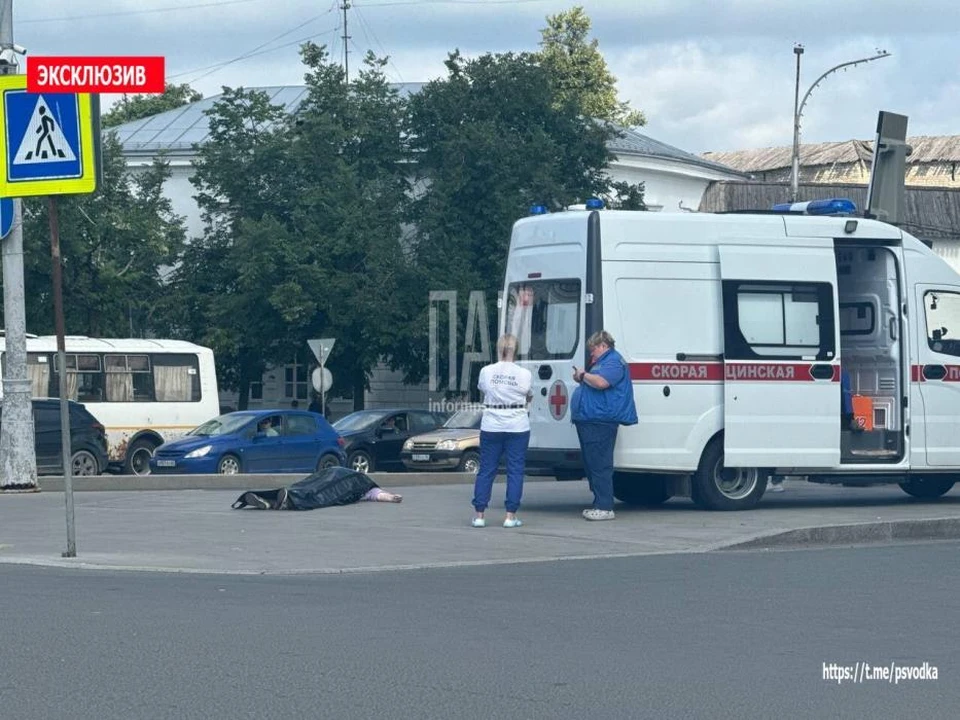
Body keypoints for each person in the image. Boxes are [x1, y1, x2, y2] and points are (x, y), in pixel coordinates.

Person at [570, 330, 638, 521]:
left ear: (603, 346)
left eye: (593, 350)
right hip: (591, 419)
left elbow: (601, 382)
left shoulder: (613, 362)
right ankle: (599, 502)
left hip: (600, 420)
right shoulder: (603, 362)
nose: (591, 354)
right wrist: (583, 377)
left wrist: (583, 375)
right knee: (592, 463)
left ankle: (604, 506)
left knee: (599, 464)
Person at [471, 333, 533, 528]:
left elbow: (484, 390)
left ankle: (480, 515)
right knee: (515, 470)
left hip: (491, 425)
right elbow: (528, 395)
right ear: (516, 350)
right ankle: (510, 515)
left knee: (487, 469)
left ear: (499, 349)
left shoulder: (486, 371)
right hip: (517, 425)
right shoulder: (524, 373)